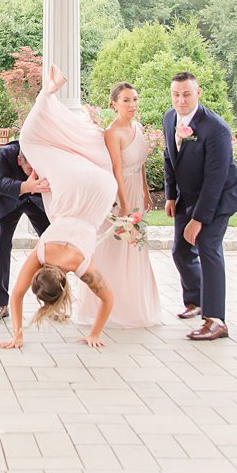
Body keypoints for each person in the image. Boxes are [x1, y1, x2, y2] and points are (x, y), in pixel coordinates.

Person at [0, 65, 118, 348]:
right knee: (31, 140)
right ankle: (49, 93)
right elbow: (16, 295)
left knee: (79, 153)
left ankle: (86, 123)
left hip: (102, 189)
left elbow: (108, 298)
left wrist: (95, 335)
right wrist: (16, 332)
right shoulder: (41, 254)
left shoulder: (81, 266)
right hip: (71, 190)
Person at [162, 71, 237, 341]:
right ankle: (195, 300)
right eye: (176, 94)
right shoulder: (169, 118)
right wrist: (170, 196)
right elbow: (169, 157)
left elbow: (216, 178)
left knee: (208, 250)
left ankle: (215, 320)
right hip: (186, 196)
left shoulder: (216, 128)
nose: (181, 100)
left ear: (198, 93)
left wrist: (198, 219)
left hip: (218, 198)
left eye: (186, 94)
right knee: (180, 251)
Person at [75, 83, 162, 329]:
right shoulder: (112, 133)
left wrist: (145, 191)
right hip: (119, 194)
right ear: (114, 104)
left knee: (136, 249)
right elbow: (116, 170)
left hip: (136, 193)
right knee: (116, 251)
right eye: (126, 100)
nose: (132, 104)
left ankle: (134, 305)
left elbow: (141, 163)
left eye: (134, 99)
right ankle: (109, 307)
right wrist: (125, 206)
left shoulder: (138, 127)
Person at [0, 139, 50, 322]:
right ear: (20, 161)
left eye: (38, 170)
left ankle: (52, 302)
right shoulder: (7, 153)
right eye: (30, 170)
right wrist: (26, 186)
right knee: (1, 243)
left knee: (53, 246)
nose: (34, 174)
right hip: (8, 199)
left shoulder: (45, 150)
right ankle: (0, 303)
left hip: (37, 201)